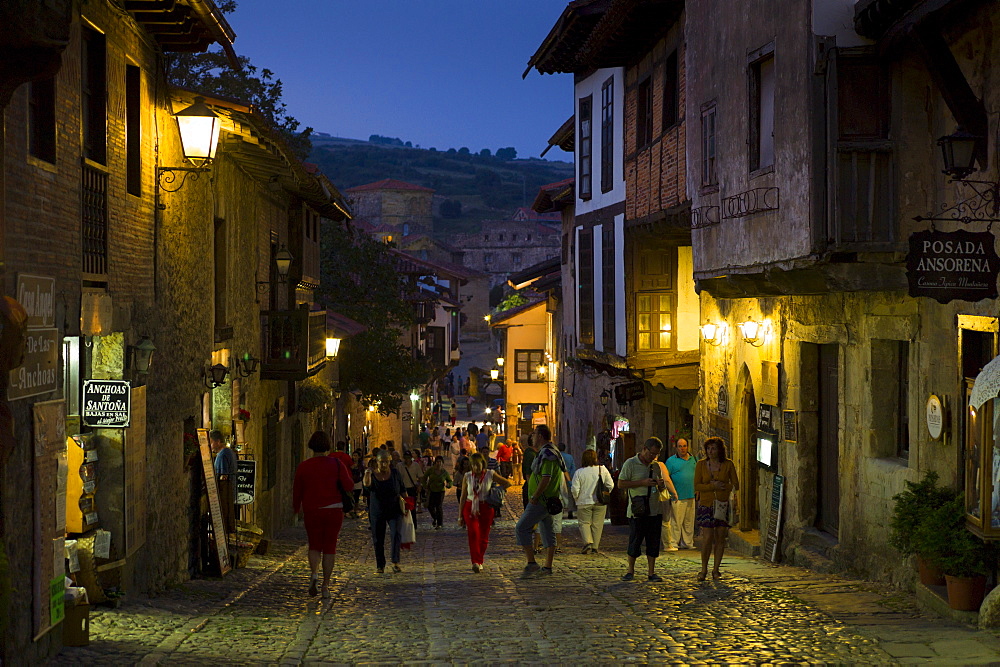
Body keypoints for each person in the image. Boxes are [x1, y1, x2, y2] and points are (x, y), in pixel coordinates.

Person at [292, 431, 355, 598]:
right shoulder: (336, 464)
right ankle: (326, 586)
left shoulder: (304, 466)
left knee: (314, 545)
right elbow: (349, 485)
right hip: (334, 510)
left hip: (313, 510)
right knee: (329, 547)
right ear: (327, 445)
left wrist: (296, 509)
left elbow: (297, 490)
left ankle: (314, 573)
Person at [618, 437, 673, 582]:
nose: (652, 457)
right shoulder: (630, 464)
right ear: (644, 449)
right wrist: (642, 483)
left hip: (654, 509)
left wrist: (660, 485)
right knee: (635, 540)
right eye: (651, 454)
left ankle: (651, 572)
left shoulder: (656, 466)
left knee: (653, 541)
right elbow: (621, 484)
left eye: (655, 455)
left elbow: (661, 488)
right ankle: (630, 570)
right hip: (637, 510)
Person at [515, 425, 564, 576]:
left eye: (534, 434)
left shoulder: (548, 454)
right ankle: (548, 567)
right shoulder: (545, 452)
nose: (532, 437)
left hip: (541, 501)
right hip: (544, 500)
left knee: (521, 528)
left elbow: (546, 478)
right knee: (548, 532)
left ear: (541, 437)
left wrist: (535, 496)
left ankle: (531, 562)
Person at [694, 437, 740, 581]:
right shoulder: (701, 465)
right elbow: (697, 485)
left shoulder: (728, 464)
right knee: (707, 537)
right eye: (708, 449)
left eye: (713, 448)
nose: (711, 451)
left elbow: (735, 484)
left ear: (719, 450)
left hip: (722, 504)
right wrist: (712, 487)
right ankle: (703, 569)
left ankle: (716, 569)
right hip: (707, 504)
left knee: (720, 537)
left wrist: (723, 487)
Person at [460, 452, 512, 572]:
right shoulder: (467, 476)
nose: (475, 468)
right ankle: (475, 562)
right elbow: (463, 496)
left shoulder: (490, 474)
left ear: (482, 464)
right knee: (473, 533)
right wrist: (460, 516)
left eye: (478, 465)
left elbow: (507, 483)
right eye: (473, 465)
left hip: (485, 507)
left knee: (483, 536)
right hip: (470, 506)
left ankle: (479, 560)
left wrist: (497, 491)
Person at [364, 449, 408, 574]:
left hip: (394, 510)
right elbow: (366, 486)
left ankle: (395, 562)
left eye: (386, 462)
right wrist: (367, 474)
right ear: (376, 462)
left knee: (395, 534)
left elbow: (403, 490)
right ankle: (380, 565)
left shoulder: (395, 473)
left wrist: (408, 506)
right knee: (378, 538)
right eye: (381, 462)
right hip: (377, 512)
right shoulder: (372, 475)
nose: (384, 465)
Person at [571, 449, 615, 554]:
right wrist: (605, 493)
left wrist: (577, 498)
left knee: (584, 523)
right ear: (595, 458)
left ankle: (587, 542)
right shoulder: (602, 469)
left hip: (584, 502)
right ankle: (595, 546)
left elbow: (574, 489)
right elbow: (611, 485)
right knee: (598, 524)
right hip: (599, 501)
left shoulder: (579, 472)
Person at [666, 438, 698, 551]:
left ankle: (687, 543)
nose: (682, 448)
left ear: (687, 447)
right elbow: (666, 477)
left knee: (689, 521)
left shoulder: (694, 460)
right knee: (676, 521)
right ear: (676, 447)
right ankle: (674, 542)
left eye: (684, 446)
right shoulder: (671, 461)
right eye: (680, 446)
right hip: (677, 496)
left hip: (690, 495)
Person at [210, 430, 238, 535]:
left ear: (217, 442)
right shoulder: (229, 452)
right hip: (231, 491)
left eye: (211, 442)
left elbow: (223, 477)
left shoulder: (222, 455)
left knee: (224, 517)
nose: (210, 445)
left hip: (225, 493)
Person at [422, 456, 453, 529]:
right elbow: (424, 478)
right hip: (431, 491)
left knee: (439, 507)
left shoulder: (444, 472)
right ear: (435, 463)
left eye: (440, 462)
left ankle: (439, 523)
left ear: (442, 463)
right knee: (430, 506)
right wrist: (425, 486)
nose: (438, 463)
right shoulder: (431, 470)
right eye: (437, 462)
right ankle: (435, 517)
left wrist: (448, 485)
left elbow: (449, 481)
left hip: (440, 491)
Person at [396, 450, 424, 522]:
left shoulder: (415, 465)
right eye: (405, 458)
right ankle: (403, 524)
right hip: (402, 489)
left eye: (408, 458)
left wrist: (419, 485)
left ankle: (413, 524)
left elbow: (420, 476)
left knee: (412, 508)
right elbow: (396, 477)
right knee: (402, 508)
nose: (407, 460)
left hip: (412, 489)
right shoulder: (399, 466)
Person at [521, 433, 540, 507]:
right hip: (531, 487)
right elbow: (528, 474)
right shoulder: (530, 454)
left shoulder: (533, 453)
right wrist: (533, 493)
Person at [350, 450, 366, 518]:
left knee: (356, 498)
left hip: (358, 483)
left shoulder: (361, 465)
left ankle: (355, 511)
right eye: (354, 456)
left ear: (359, 457)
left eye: (356, 456)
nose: (355, 457)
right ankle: (351, 511)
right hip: (351, 482)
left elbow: (363, 473)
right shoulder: (350, 464)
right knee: (352, 498)